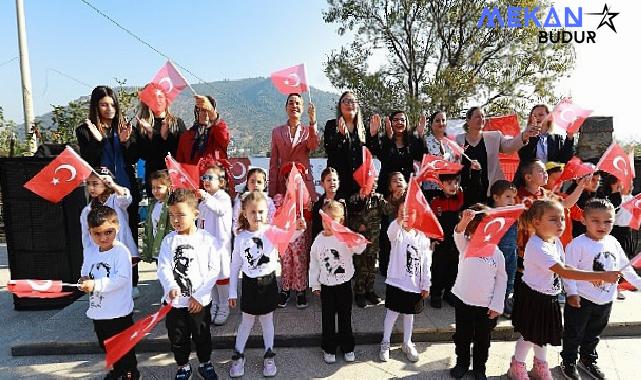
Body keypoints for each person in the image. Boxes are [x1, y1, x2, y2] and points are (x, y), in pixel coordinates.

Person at [507, 200, 619, 380]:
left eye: (562, 219)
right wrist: (600, 276)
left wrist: (577, 287)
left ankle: (540, 365)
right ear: (536, 222)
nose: (560, 224)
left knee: (541, 335)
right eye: (553, 220)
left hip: (549, 296)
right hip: (534, 298)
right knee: (529, 336)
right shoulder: (537, 246)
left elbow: (565, 267)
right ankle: (517, 366)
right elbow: (564, 270)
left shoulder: (555, 241)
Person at [560, 199, 641, 380]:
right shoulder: (577, 244)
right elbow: (568, 271)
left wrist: (638, 283)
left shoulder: (612, 241)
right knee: (574, 333)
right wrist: (571, 293)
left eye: (607, 221)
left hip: (605, 299)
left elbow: (625, 266)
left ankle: (587, 359)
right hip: (581, 298)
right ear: (584, 220)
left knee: (594, 334)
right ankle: (569, 361)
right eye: (595, 220)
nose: (602, 225)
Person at [228, 191, 305, 378]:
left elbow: (290, 236)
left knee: (267, 320)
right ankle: (238, 355)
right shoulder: (240, 237)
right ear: (244, 213)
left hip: (268, 282)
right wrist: (232, 292)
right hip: (249, 285)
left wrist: (300, 228)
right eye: (253, 212)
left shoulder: (271, 231)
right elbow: (235, 265)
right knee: (246, 321)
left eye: (261, 212)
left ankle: (269, 355)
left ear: (267, 212)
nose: (257, 216)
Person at [75, 85, 141, 275]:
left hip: (124, 189)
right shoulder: (85, 131)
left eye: (112, 104)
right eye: (104, 104)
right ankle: (104, 274)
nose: (109, 108)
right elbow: (89, 161)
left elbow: (133, 158)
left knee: (129, 234)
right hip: (100, 193)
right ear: (96, 106)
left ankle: (131, 279)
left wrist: (124, 141)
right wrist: (99, 141)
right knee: (102, 232)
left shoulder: (125, 127)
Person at [157, 189, 221, 380]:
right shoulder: (169, 241)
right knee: (177, 337)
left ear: (195, 213)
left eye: (181, 214)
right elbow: (163, 267)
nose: (176, 220)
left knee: (202, 335)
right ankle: (183, 366)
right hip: (175, 304)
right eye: (172, 215)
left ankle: (205, 363)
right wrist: (170, 286)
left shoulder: (207, 240)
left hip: (199, 303)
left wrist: (200, 296)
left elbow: (213, 270)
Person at [79, 206, 139, 380]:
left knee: (124, 346)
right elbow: (85, 271)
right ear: (89, 232)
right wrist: (83, 281)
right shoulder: (90, 251)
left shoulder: (121, 252)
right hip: (99, 312)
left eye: (108, 232)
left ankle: (130, 373)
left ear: (117, 227)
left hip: (119, 312)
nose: (103, 237)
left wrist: (95, 284)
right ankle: (117, 370)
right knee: (107, 345)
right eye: (97, 233)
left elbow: (120, 279)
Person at [450, 205, 507, 380]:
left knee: (483, 339)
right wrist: (465, 220)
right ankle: (462, 363)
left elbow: (501, 279)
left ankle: (479, 368)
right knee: (462, 336)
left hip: (486, 306)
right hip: (463, 301)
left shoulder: (496, 253)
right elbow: (458, 233)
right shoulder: (465, 246)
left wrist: (497, 304)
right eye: (475, 230)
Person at [309, 200, 367, 364]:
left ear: (340, 221)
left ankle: (347, 347)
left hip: (344, 284)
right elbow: (314, 264)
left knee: (345, 317)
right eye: (326, 220)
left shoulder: (344, 236)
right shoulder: (318, 241)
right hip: (326, 286)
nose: (329, 224)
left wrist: (357, 239)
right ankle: (329, 347)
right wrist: (315, 284)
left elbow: (360, 247)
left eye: (333, 220)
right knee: (327, 319)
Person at [379, 207, 431, 363]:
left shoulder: (422, 237)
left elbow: (426, 262)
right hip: (397, 282)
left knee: (409, 314)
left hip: (414, 283)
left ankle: (407, 342)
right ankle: (385, 342)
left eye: (410, 212)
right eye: (402, 211)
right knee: (392, 313)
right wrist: (398, 221)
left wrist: (426, 283)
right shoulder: (398, 232)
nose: (405, 215)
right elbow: (390, 233)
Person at [456, 106, 537, 206]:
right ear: (468, 120)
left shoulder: (494, 137)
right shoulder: (458, 140)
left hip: (491, 191)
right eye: (477, 116)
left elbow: (509, 147)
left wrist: (525, 135)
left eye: (483, 116)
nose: (481, 119)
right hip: (466, 191)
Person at [80, 167, 140, 299]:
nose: (91, 188)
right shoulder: (87, 210)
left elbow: (126, 198)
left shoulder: (115, 201)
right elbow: (86, 237)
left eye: (95, 183)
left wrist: (113, 185)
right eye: (89, 184)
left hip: (119, 245)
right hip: (100, 250)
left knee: (123, 275)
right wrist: (88, 254)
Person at [197, 164, 233, 326]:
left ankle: (224, 305)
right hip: (206, 246)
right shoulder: (203, 202)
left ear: (222, 182)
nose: (206, 180)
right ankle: (214, 304)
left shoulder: (223, 197)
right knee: (209, 276)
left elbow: (219, 210)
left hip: (220, 246)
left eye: (210, 177)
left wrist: (205, 197)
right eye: (204, 177)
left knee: (222, 276)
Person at [135, 83, 187, 196]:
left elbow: (180, 153)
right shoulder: (142, 125)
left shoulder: (177, 123)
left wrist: (162, 137)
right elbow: (144, 155)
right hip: (153, 181)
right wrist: (151, 133)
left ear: (166, 100)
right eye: (153, 97)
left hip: (173, 178)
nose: (157, 100)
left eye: (160, 97)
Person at [347, 170, 388, 307]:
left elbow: (389, 210)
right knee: (361, 268)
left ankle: (370, 290)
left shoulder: (378, 199)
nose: (371, 186)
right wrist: (358, 225)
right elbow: (348, 220)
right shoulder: (354, 199)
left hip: (374, 241)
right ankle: (359, 292)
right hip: (360, 242)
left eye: (373, 183)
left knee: (371, 268)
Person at [276, 162, 313, 309]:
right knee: (286, 263)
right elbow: (277, 217)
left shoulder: (304, 200)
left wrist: (304, 221)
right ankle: (285, 290)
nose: (293, 183)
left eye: (297, 180)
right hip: (285, 237)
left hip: (299, 238)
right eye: (289, 179)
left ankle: (300, 290)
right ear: (285, 182)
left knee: (299, 262)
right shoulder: (280, 198)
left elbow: (309, 218)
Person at [268, 93, 319, 201]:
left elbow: (314, 146)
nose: (294, 106)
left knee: (305, 216)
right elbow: (273, 163)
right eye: (291, 103)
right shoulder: (277, 132)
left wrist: (312, 122)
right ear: (286, 108)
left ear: (303, 108)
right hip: (282, 184)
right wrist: (272, 193)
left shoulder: (308, 130)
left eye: (298, 103)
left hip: (304, 183)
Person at [515, 104, 575, 187]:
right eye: (534, 116)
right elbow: (524, 156)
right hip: (529, 182)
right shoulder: (525, 136)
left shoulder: (557, 138)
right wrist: (533, 135)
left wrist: (569, 138)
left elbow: (564, 159)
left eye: (541, 115)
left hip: (550, 182)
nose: (537, 118)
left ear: (549, 116)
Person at [367, 111, 424, 197]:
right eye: (396, 120)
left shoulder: (413, 141)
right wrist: (374, 134)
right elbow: (375, 153)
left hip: (407, 189)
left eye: (402, 120)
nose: (399, 122)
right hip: (387, 189)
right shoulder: (383, 140)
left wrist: (420, 135)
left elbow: (422, 157)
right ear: (390, 122)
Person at [429, 173, 465, 308]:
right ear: (441, 185)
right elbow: (432, 222)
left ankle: (449, 293)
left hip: (456, 241)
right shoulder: (435, 201)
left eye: (455, 183)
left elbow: (474, 190)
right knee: (439, 269)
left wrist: (475, 172)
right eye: (449, 183)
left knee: (454, 269)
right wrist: (432, 239)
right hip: (441, 241)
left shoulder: (460, 198)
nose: (453, 186)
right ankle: (436, 294)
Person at [324, 91, 367, 199]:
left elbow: (372, 152)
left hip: (359, 186)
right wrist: (340, 136)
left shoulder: (363, 128)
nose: (349, 104)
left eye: (352, 101)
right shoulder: (331, 125)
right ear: (339, 106)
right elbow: (329, 149)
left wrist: (374, 135)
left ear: (357, 106)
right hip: (338, 185)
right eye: (345, 101)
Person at [489, 180, 519, 318]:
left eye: (513, 197)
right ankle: (491, 303)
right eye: (507, 196)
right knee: (493, 280)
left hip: (511, 254)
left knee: (509, 279)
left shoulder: (514, 215)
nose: (512, 200)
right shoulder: (489, 214)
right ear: (496, 198)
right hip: (494, 255)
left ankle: (504, 302)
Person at [416, 110, 460, 200]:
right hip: (431, 189)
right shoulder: (425, 142)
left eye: (443, 120)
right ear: (431, 124)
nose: (441, 123)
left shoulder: (452, 143)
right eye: (437, 120)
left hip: (449, 190)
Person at [176, 95, 229, 165]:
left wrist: (212, 113)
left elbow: (224, 138)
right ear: (197, 112)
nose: (206, 114)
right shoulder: (186, 137)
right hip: (192, 174)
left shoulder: (217, 133)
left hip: (214, 174)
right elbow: (180, 164)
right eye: (203, 110)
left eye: (209, 112)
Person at [379, 172, 408, 277]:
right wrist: (395, 199)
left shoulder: (410, 196)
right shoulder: (388, 198)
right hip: (393, 232)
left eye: (401, 180)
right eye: (394, 181)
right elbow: (386, 211)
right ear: (390, 187)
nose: (398, 182)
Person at [141, 169, 173, 263]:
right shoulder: (153, 205)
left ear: (168, 187)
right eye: (153, 187)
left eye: (159, 188)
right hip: (157, 247)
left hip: (169, 248)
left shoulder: (172, 204)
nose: (155, 191)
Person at [232, 168, 276, 234]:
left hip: (264, 235)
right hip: (245, 235)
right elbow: (236, 220)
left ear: (265, 185)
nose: (256, 185)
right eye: (252, 181)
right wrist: (240, 234)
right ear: (247, 184)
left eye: (259, 182)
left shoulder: (268, 201)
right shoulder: (241, 200)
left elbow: (272, 219)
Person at [312, 167, 343, 239]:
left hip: (340, 242)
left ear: (338, 183)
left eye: (334, 180)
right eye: (329, 180)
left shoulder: (344, 202)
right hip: (324, 243)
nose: (332, 182)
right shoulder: (317, 205)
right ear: (322, 184)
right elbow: (315, 229)